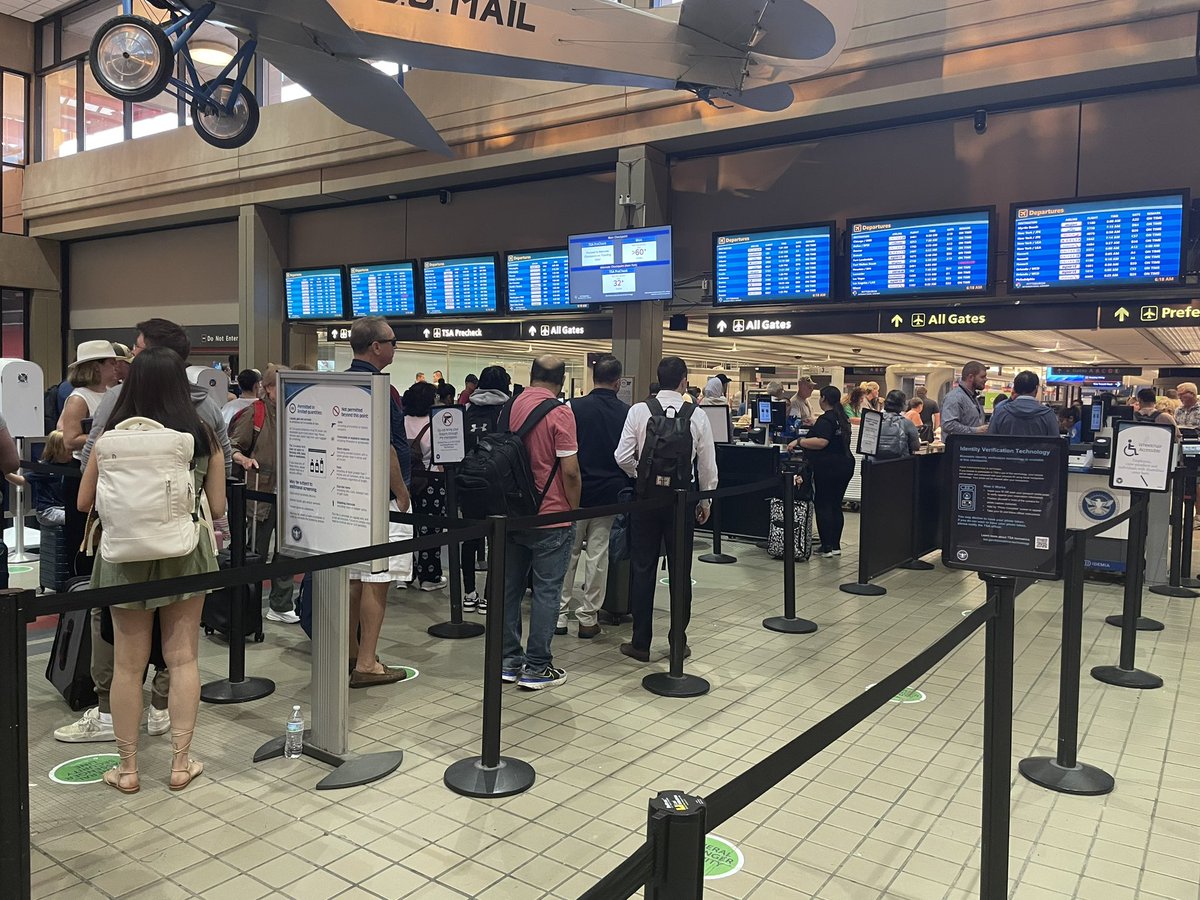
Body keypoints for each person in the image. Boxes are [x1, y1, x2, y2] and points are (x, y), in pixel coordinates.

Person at [79, 347, 226, 794]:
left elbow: (84, 503)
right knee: (182, 659)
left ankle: (127, 769)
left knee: (127, 665)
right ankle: (180, 764)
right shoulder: (200, 434)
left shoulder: (110, 438)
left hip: (122, 557)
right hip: (186, 556)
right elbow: (217, 507)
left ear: (131, 384)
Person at [615, 356, 718, 662]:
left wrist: (641, 475)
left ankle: (640, 643)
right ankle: (677, 642)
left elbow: (621, 456)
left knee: (643, 568)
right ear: (684, 380)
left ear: (658, 379)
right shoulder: (696, 415)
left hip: (646, 501)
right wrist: (704, 501)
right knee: (680, 571)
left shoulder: (638, 410)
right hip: (680, 501)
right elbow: (707, 466)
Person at [501, 355, 581, 690]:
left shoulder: (509, 408)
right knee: (547, 591)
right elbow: (571, 471)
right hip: (551, 516)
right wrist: (573, 512)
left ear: (532, 376)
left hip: (509, 514)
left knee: (509, 590)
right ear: (561, 381)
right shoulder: (560, 413)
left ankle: (507, 661)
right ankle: (537, 667)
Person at [346, 316, 413, 687]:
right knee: (378, 577)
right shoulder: (379, 387)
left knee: (354, 577)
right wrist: (401, 491)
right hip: (381, 501)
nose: (394, 347)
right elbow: (385, 445)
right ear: (375, 346)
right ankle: (367, 662)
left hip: (352, 499)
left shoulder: (344, 381)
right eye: (392, 341)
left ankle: (351, 653)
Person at [557, 355, 630, 640]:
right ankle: (588, 618)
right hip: (609, 493)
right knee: (598, 554)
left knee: (568, 554)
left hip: (574, 493)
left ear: (593, 378)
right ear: (618, 382)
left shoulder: (572, 407)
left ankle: (559, 616)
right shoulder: (626, 412)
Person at [229, 365, 298, 623]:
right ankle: (247, 606)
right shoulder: (254, 413)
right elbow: (232, 447)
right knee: (256, 550)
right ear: (268, 388)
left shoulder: (298, 412)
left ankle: (280, 605)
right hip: (261, 492)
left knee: (287, 550)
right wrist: (244, 460)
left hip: (291, 494)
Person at [459, 365, 512, 612]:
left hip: (467, 482)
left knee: (469, 539)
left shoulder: (467, 410)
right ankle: (490, 596)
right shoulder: (506, 411)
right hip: (497, 483)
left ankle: (469, 593)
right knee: (497, 540)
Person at [791, 385, 855, 558]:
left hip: (829, 466)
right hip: (845, 464)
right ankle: (835, 546)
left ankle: (825, 547)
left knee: (823, 504)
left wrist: (799, 442)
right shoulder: (842, 417)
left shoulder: (826, 419)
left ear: (824, 399)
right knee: (835, 505)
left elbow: (822, 442)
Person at [403, 380, 447, 591]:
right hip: (431, 480)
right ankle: (430, 576)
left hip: (405, 481)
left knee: (406, 528)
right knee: (431, 530)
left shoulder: (401, 421)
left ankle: (405, 573)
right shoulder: (435, 424)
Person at [986, 371, 1058, 437]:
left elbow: (990, 440)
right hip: (1038, 451)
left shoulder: (1000, 412)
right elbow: (1056, 444)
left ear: (1015, 388)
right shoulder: (1048, 414)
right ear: (1036, 389)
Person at [941, 362, 988, 436]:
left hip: (970, 446)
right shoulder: (954, 397)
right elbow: (948, 425)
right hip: (958, 446)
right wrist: (976, 430)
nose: (986, 379)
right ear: (971, 377)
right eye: (982, 377)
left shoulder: (973, 398)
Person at [880, 390, 921, 456]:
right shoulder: (907, 423)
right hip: (900, 463)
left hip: (875, 463)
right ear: (902, 405)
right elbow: (916, 447)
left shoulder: (876, 420)